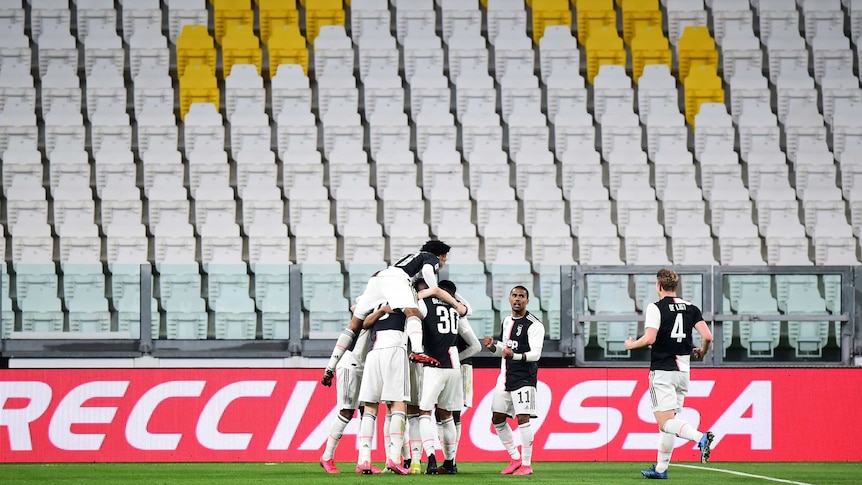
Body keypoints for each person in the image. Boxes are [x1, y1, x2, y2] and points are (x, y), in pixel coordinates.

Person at [321, 240, 466, 385]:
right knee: (413, 313)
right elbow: (429, 273)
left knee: (354, 325)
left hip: (377, 277)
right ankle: (417, 351)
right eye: (444, 258)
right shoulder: (431, 257)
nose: (444, 262)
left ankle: (330, 367)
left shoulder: (410, 256)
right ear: (440, 255)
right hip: (397, 279)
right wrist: (437, 291)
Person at [624, 268, 715, 480]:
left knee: (665, 422)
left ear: (658, 286)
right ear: (676, 286)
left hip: (663, 370)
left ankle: (700, 437)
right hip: (683, 371)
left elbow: (649, 338)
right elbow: (708, 336)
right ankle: (661, 470)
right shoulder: (692, 308)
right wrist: (702, 351)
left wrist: (631, 345)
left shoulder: (655, 307)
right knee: (669, 423)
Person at [415, 280, 480, 475]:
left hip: (434, 364)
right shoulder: (456, 310)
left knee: (425, 412)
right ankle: (450, 462)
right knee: (447, 415)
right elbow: (468, 311)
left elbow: (410, 305)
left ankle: (431, 459)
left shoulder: (424, 304)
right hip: (454, 368)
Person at [482, 285, 545, 476]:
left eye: (521, 296)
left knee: (523, 419)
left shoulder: (535, 325)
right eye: (514, 295)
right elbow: (506, 348)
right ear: (509, 299)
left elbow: (536, 354)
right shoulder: (507, 321)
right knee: (497, 419)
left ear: (528, 300)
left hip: (524, 378)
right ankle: (515, 458)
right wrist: (494, 347)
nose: (517, 299)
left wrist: (515, 356)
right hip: (504, 378)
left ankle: (527, 465)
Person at [318, 327, 383, 474]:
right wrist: (330, 369)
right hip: (351, 366)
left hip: (367, 368)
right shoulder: (367, 312)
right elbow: (345, 336)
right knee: (346, 412)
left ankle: (363, 461)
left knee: (366, 412)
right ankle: (327, 456)